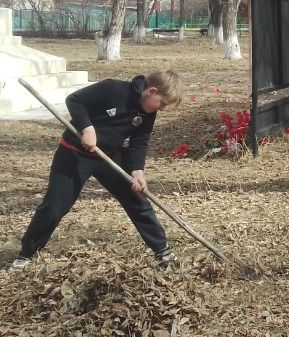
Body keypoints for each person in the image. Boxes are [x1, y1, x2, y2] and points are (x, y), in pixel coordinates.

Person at [12, 70, 183, 269]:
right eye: (162, 103)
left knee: (137, 200)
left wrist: (137, 172)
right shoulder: (112, 89)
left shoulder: (148, 112)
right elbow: (74, 100)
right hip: (74, 155)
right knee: (54, 207)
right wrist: (87, 128)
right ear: (151, 91)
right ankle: (26, 253)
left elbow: (139, 141)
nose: (162, 109)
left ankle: (162, 250)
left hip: (109, 156)